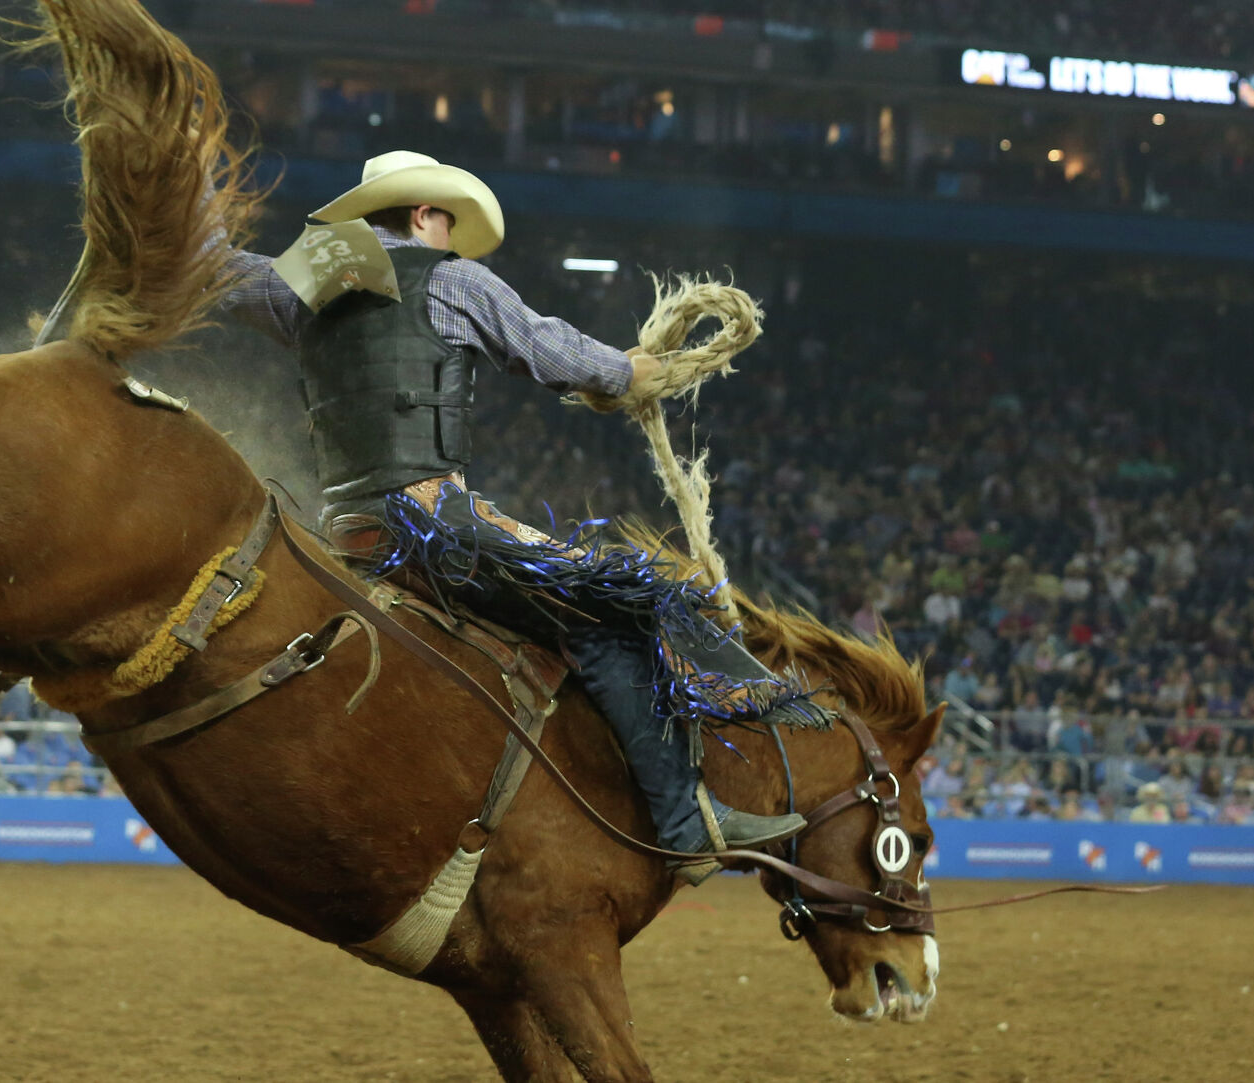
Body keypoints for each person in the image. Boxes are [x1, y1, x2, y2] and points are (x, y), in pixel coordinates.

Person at [223, 151, 812, 876]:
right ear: (421, 214)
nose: (450, 235)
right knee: (616, 603)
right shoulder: (452, 280)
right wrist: (630, 372)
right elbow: (548, 348)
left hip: (343, 526)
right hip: (428, 523)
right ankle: (686, 820)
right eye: (445, 221)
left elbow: (215, 276)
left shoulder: (307, 282)